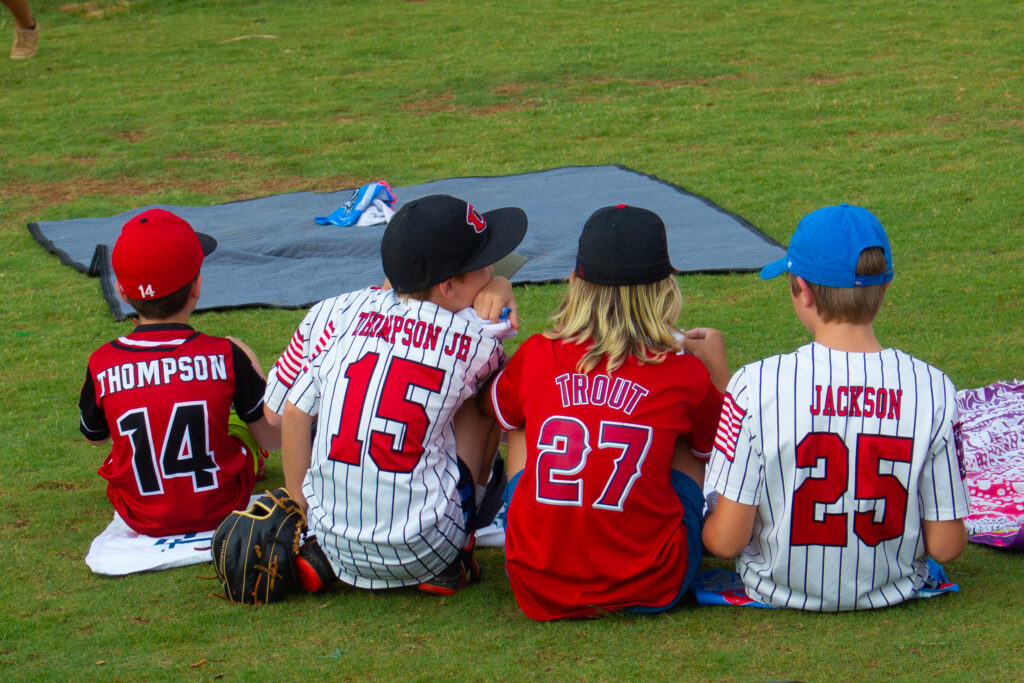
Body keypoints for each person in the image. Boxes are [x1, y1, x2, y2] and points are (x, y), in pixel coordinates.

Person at [702, 203, 970, 611]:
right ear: (884, 288)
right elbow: (947, 546)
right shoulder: (933, 387)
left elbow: (724, 542)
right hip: (893, 588)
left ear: (804, 291)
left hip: (774, 587)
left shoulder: (753, 384)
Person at [482, 204, 728, 620]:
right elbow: (724, 442)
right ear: (667, 285)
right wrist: (716, 373)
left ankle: (530, 524)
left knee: (519, 418)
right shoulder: (683, 371)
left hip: (536, 582)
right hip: (655, 582)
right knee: (689, 434)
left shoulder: (539, 353)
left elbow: (498, 412)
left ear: (576, 280)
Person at [280, 194, 527, 595]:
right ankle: (459, 551)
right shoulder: (476, 336)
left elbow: (291, 416)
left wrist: (302, 512)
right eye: (483, 265)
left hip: (331, 535)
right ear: (448, 286)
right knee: (485, 403)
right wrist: (500, 287)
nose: (493, 269)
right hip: (427, 545)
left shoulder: (345, 313)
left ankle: (323, 555)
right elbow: (500, 400)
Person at [79, 209, 281, 536]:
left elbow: (94, 437)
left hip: (138, 514)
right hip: (223, 506)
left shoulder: (102, 361)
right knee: (237, 353)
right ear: (197, 288)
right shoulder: (225, 353)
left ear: (121, 291)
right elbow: (273, 435)